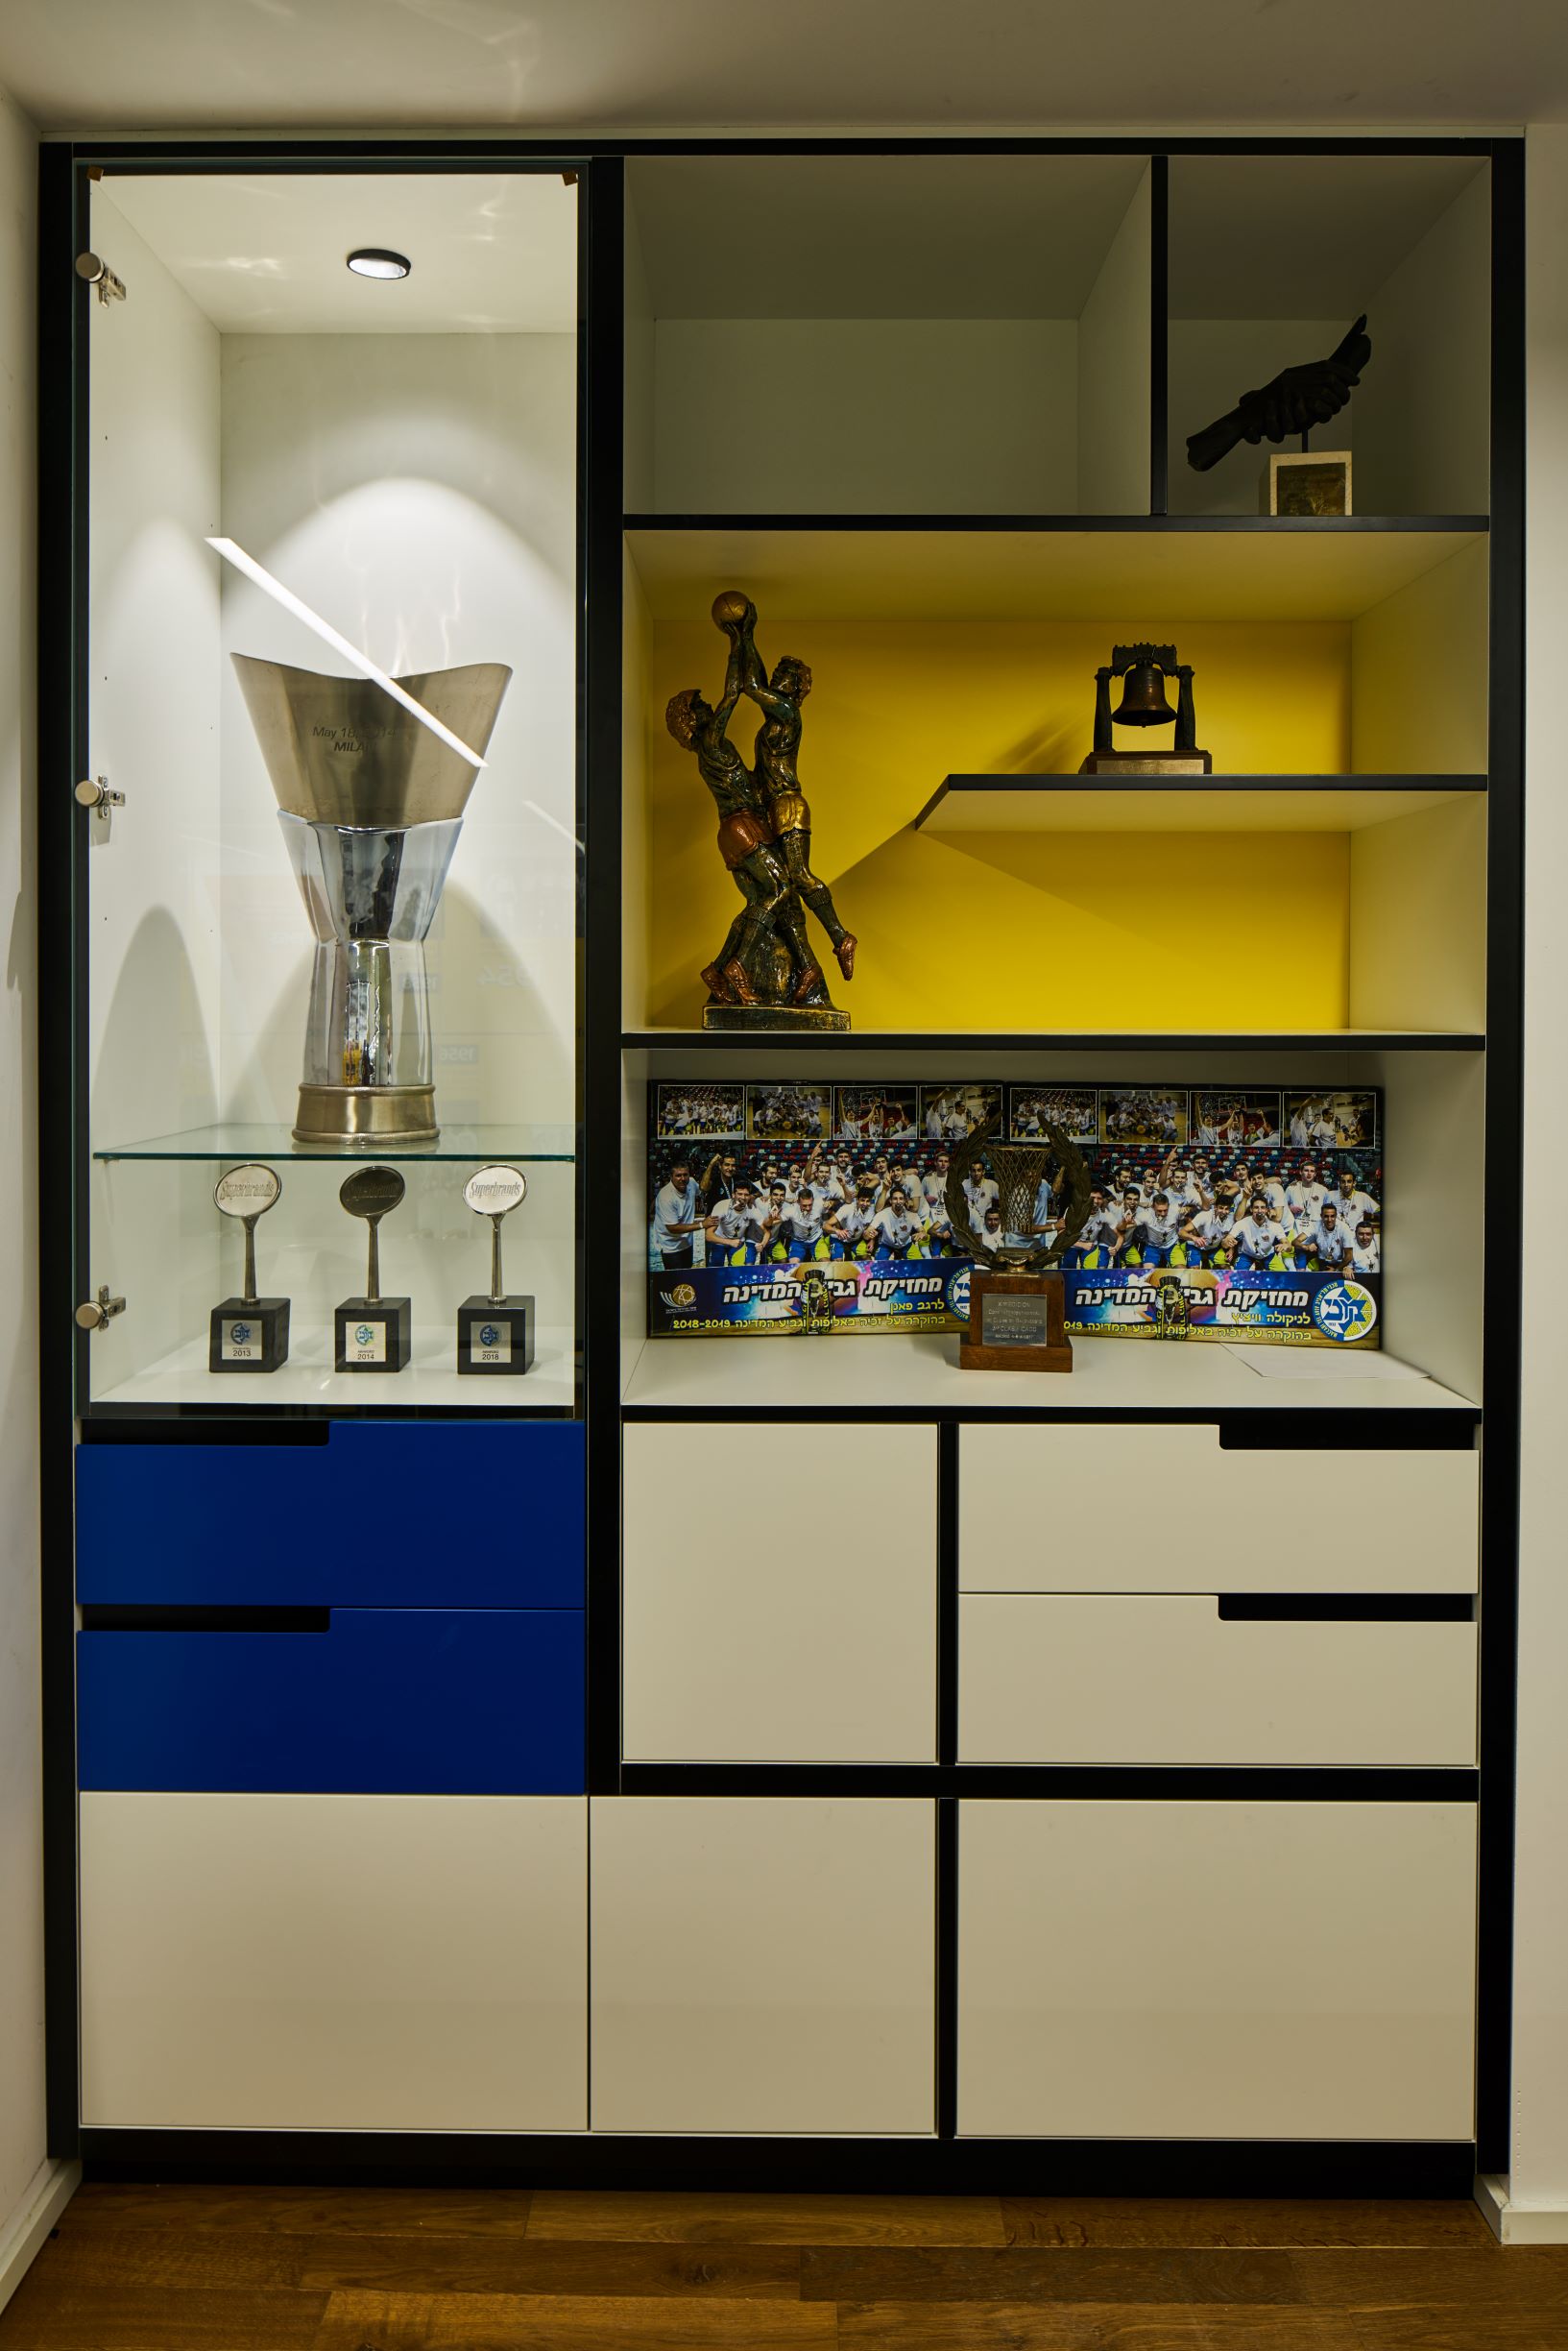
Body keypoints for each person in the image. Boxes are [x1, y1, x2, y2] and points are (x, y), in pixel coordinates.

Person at [736, 611, 856, 995]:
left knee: (800, 877)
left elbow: (751, 685)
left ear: (797, 687)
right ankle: (807, 965)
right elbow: (756, 681)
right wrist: (745, 639)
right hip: (773, 806)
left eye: (785, 675)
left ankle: (842, 938)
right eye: (778, 671)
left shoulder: (788, 713)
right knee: (784, 889)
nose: (778, 677)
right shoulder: (774, 718)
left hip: (788, 804)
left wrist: (744, 637)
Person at [650, 1160, 704, 1270]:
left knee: (687, 1272)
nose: (682, 1178)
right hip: (670, 1245)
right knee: (675, 1277)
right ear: (671, 1177)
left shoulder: (691, 1183)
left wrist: (711, 1164)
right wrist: (702, 1224)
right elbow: (672, 1228)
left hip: (687, 1241)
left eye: (685, 1174)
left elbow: (704, 1188)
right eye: (678, 1175)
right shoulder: (666, 1196)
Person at [1227, 1191, 1292, 1272]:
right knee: (1238, 1275)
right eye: (1256, 1207)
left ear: (1267, 1210)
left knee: (1282, 1275)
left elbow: (1288, 1246)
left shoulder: (1275, 1225)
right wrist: (1227, 1241)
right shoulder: (1242, 1223)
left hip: (1267, 1255)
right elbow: (1227, 1239)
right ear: (1251, 1209)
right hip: (1247, 1254)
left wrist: (1286, 1246)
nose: (1259, 1210)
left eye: (1262, 1207)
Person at [704, 1182, 766, 1266]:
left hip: (738, 1242)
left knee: (738, 1269)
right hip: (719, 1240)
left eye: (746, 1195)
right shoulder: (722, 1206)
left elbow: (767, 1230)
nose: (743, 1197)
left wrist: (762, 1243)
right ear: (733, 1195)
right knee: (716, 1269)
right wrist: (729, 1242)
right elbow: (708, 1235)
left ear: (749, 1196)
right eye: (740, 1194)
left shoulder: (751, 1209)